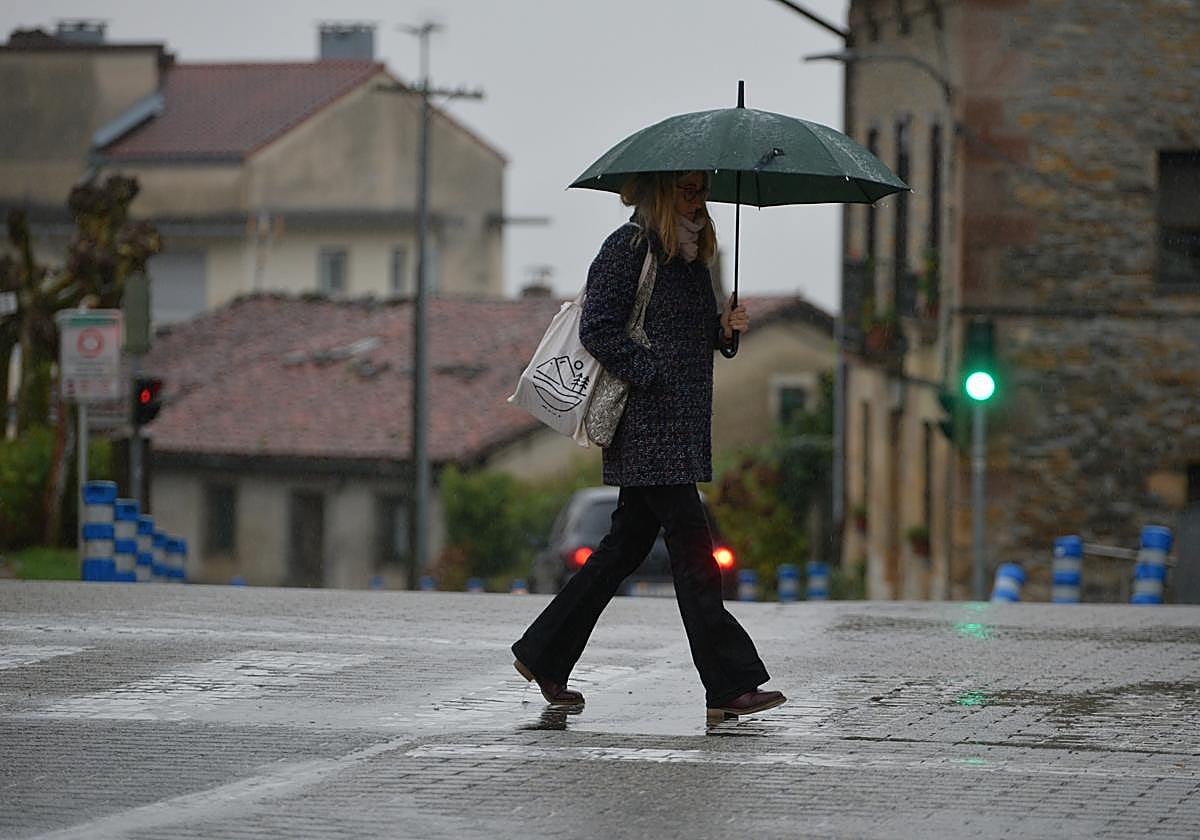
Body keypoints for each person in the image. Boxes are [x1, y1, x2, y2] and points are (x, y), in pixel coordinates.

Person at [511, 170, 786, 720]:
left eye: (703, 187)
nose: (698, 194)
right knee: (695, 556)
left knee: (622, 551)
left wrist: (722, 331)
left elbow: (687, 335)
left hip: (678, 426)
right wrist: (651, 373)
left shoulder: (692, 256)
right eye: (687, 186)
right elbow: (600, 327)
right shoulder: (629, 246)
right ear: (662, 188)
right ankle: (729, 685)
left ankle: (544, 653)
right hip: (647, 427)